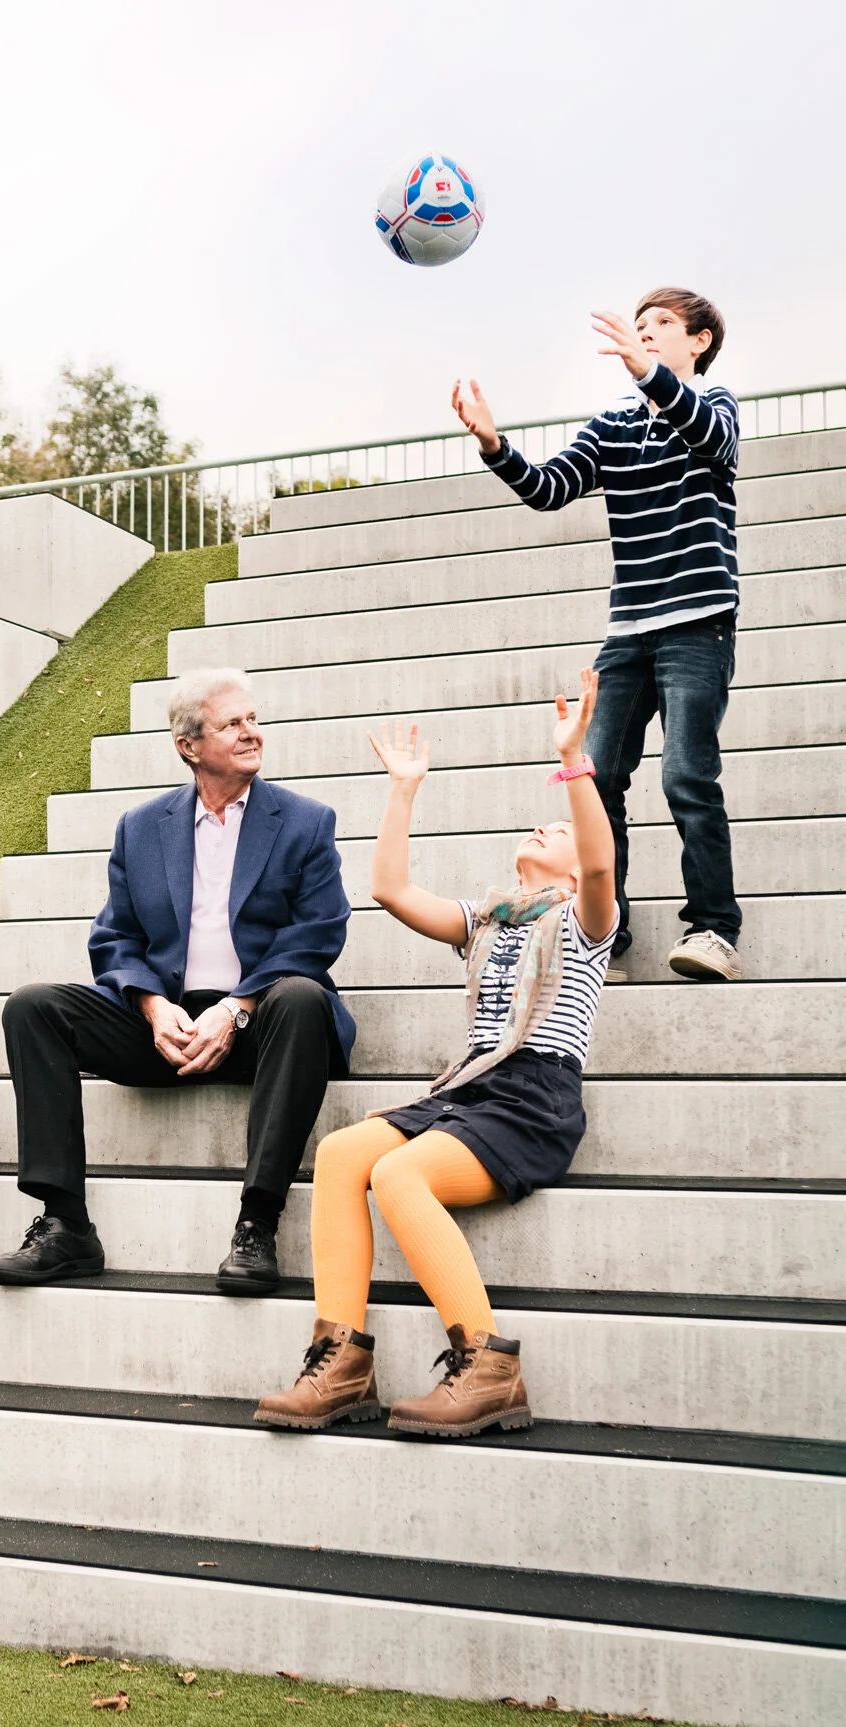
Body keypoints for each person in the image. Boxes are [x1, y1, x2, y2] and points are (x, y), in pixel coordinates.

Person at [256, 669, 616, 1437]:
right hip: (470, 1091)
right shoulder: (485, 922)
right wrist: (403, 789)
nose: (543, 828)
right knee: (343, 1153)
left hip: (531, 1098)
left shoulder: (584, 927)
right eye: (541, 823)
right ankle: (341, 1361)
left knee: (396, 1171)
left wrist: (574, 760)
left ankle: (487, 1363)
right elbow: (389, 887)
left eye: (554, 828)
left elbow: (595, 864)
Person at [0, 667, 355, 1294]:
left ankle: (257, 1224)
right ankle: (66, 1225)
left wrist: (237, 1006)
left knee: (302, 997)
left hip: (264, 1027)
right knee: (33, 1007)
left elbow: (319, 934)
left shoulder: (304, 822)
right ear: (188, 745)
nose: (251, 733)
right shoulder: (141, 827)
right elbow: (116, 938)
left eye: (254, 719)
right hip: (170, 1028)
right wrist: (155, 1007)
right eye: (232, 723)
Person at [452, 287, 742, 983]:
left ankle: (714, 930)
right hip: (628, 632)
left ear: (697, 342)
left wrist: (649, 375)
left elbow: (714, 438)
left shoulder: (714, 405)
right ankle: (606, 928)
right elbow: (551, 487)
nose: (641, 335)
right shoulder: (610, 425)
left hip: (696, 623)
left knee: (686, 778)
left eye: (660, 326)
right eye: (636, 327)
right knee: (596, 774)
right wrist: (494, 443)